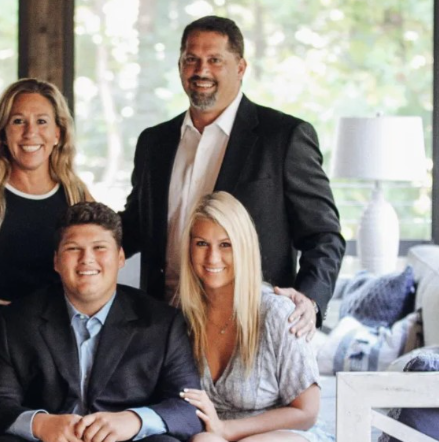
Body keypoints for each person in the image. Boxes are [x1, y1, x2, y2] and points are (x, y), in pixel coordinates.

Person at [120, 15, 345, 339]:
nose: (201, 70)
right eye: (191, 59)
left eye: (215, 60)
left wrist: (308, 301)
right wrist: (82, 241)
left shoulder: (283, 137)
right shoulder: (154, 142)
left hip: (249, 326)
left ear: (240, 67)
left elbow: (324, 236)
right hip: (164, 323)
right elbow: (137, 224)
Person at [0, 202, 202, 442]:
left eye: (99, 248)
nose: (87, 259)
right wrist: (41, 424)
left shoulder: (163, 322)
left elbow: (188, 408)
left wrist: (134, 420)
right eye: (73, 249)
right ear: (56, 261)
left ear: (120, 257)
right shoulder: (16, 320)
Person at [178, 192, 331, 442]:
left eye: (225, 245)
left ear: (244, 247)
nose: (212, 257)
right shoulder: (183, 318)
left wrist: (226, 430)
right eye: (201, 244)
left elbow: (307, 412)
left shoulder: (277, 313)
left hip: (284, 435)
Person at [0, 78, 90, 307]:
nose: (30, 132)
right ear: (2, 134)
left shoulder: (77, 195)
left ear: (58, 134)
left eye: (42, 121)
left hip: (58, 334)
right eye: (18, 121)